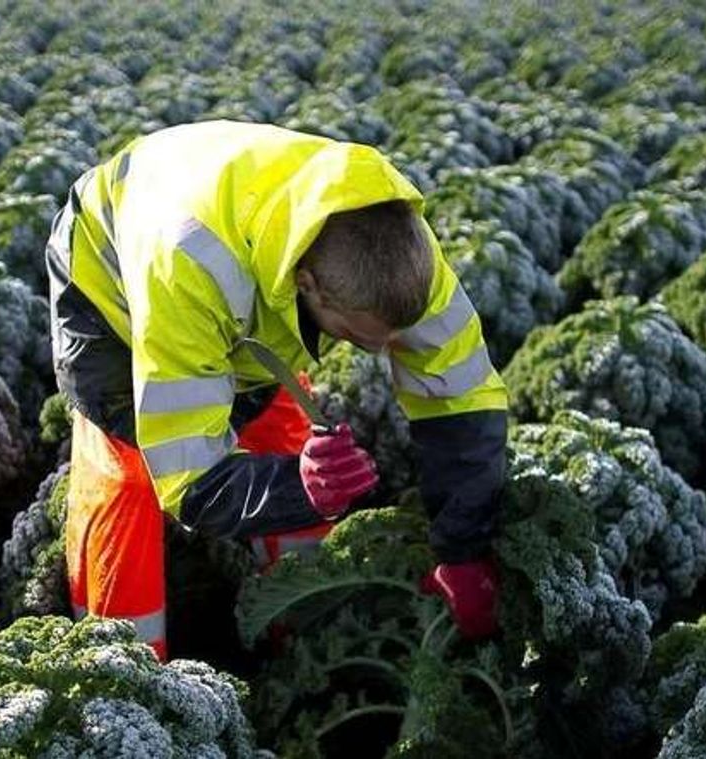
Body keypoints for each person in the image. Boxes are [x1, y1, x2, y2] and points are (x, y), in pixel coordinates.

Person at [45, 120, 508, 659]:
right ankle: (122, 661)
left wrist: (464, 549)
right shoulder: (188, 266)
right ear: (308, 287)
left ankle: (307, 635)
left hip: (242, 264)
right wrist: (298, 489)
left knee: (283, 435)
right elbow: (188, 478)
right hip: (113, 280)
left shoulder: (402, 252)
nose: (380, 351)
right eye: (356, 336)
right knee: (129, 474)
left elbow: (463, 400)